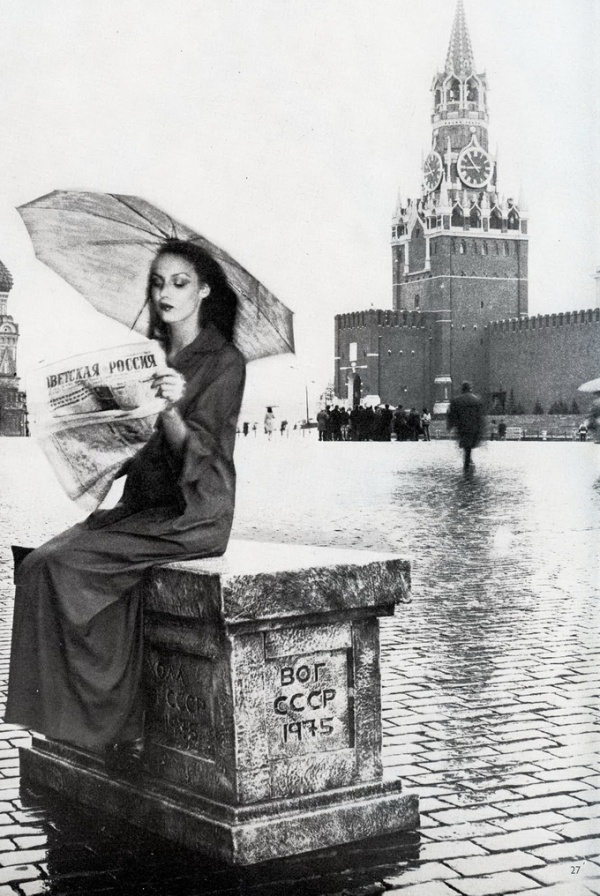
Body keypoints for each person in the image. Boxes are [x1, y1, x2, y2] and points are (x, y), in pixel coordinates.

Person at [5, 239, 246, 776]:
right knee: (37, 561)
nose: (165, 293)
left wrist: (170, 408)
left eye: (179, 283)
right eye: (158, 282)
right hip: (146, 506)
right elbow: (136, 448)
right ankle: (84, 718)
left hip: (195, 513)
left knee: (62, 566)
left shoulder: (224, 362)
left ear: (204, 290)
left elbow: (203, 455)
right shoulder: (152, 355)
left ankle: (110, 722)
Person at [447, 381, 485, 472]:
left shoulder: (456, 401)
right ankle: (467, 463)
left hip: (462, 428)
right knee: (468, 447)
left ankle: (467, 464)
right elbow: (480, 416)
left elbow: (451, 415)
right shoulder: (477, 400)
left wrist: (450, 425)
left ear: (462, 389)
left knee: (466, 447)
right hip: (473, 428)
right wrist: (481, 429)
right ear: (470, 389)